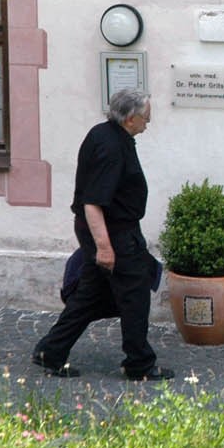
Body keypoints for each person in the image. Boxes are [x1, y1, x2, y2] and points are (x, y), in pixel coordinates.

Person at [32, 88, 173, 381]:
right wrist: (104, 248)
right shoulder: (111, 148)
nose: (148, 124)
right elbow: (93, 203)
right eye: (147, 118)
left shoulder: (104, 134)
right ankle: (139, 364)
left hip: (108, 231)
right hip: (115, 234)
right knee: (135, 296)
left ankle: (51, 351)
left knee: (90, 295)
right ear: (130, 119)